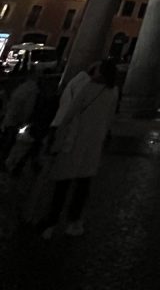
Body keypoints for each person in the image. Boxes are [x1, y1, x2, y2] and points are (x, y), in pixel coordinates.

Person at [37, 58, 119, 239]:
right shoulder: (113, 92)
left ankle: (52, 221)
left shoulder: (87, 88)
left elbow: (69, 114)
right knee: (83, 186)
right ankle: (74, 222)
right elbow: (110, 118)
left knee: (62, 185)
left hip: (73, 141)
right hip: (93, 143)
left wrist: (57, 137)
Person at [0, 72, 38, 164]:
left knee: (7, 138)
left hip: (10, 117)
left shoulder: (20, 89)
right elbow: (27, 108)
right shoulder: (31, 90)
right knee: (9, 140)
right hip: (14, 118)